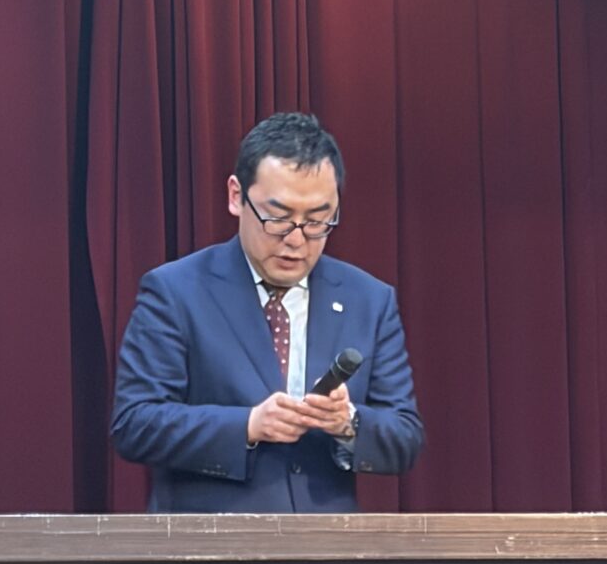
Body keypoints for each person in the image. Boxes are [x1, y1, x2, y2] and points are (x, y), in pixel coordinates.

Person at [111, 112, 424, 511]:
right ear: (236, 196)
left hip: (327, 543)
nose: (296, 240)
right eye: (278, 218)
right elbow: (135, 423)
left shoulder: (369, 300)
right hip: (211, 541)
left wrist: (347, 422)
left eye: (317, 221)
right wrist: (248, 425)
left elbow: (405, 436)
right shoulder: (176, 291)